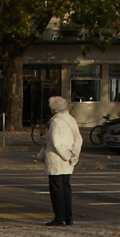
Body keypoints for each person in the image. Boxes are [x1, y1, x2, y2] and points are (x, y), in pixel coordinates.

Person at [40, 95, 80, 227]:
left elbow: (56, 143)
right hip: (68, 159)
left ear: (53, 110)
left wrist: (66, 155)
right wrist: (74, 154)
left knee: (56, 190)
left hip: (57, 159)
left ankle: (60, 217)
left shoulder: (55, 121)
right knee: (66, 188)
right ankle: (68, 216)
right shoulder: (71, 119)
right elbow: (79, 139)